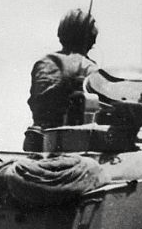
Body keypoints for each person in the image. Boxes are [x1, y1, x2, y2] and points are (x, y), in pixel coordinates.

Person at [25, 8, 99, 148]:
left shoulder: (44, 62)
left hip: (38, 140)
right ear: (90, 39)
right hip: (71, 143)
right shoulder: (91, 69)